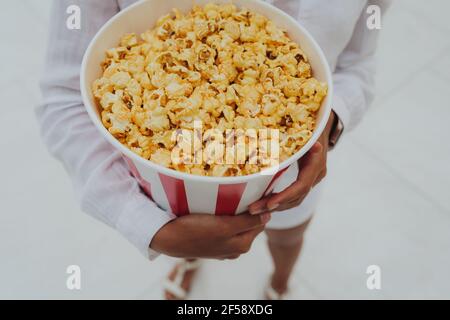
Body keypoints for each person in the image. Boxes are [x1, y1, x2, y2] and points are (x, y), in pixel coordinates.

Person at [37, 0, 391, 299]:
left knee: (288, 234)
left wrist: (329, 124)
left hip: (296, 169)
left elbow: (357, 65)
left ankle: (279, 285)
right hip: (172, 178)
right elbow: (65, 98)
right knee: (193, 231)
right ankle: (188, 259)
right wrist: (152, 229)